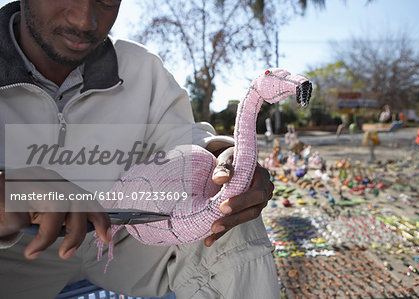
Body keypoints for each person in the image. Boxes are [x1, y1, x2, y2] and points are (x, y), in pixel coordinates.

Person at [0, 1, 280, 298]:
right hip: (17, 252)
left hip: (124, 236)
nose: (84, 21)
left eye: (106, 1)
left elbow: (182, 140)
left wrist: (221, 157)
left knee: (225, 218)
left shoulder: (142, 67)